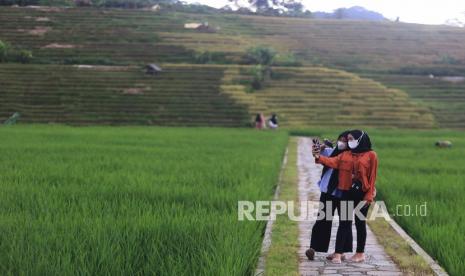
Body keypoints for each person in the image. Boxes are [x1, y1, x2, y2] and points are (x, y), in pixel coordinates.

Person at [312, 130, 378, 263]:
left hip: (363, 193)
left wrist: (369, 196)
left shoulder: (371, 155)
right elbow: (332, 162)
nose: (349, 142)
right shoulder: (346, 154)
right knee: (344, 223)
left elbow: (372, 177)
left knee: (360, 223)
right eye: (348, 139)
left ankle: (360, 253)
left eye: (352, 139)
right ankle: (338, 254)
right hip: (347, 193)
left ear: (360, 140)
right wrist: (318, 157)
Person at [305, 131, 352, 262]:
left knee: (345, 223)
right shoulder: (331, 151)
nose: (342, 142)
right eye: (340, 139)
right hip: (328, 192)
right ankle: (313, 248)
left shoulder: (352, 157)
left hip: (345, 193)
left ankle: (341, 251)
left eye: (345, 141)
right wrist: (318, 148)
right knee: (322, 220)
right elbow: (317, 155)